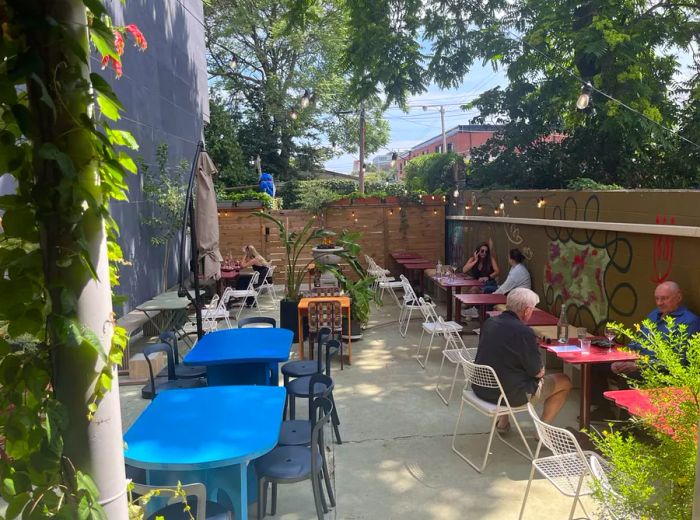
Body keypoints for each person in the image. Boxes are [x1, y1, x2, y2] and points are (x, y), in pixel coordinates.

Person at [590, 281, 700, 416]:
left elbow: (677, 361)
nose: (659, 303)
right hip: (635, 362)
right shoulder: (655, 314)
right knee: (595, 365)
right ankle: (604, 410)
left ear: (678, 297)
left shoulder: (690, 321)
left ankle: (627, 426)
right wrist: (623, 358)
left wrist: (639, 365)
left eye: (664, 298)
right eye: (657, 298)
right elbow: (637, 340)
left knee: (629, 377)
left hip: (661, 371)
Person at [473, 288, 572, 430]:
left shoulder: (489, 322)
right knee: (564, 381)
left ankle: (503, 423)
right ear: (527, 310)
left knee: (506, 366)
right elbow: (538, 373)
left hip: (481, 387)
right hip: (509, 395)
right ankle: (543, 432)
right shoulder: (524, 333)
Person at [461, 240, 500, 318]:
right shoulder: (472, 259)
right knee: (468, 289)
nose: (484, 253)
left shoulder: (490, 259)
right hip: (477, 283)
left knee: (474, 290)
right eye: (482, 251)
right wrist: (475, 260)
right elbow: (464, 270)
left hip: (489, 283)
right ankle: (473, 309)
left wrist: (487, 277)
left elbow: (497, 271)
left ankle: (474, 310)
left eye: (486, 251)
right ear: (478, 251)